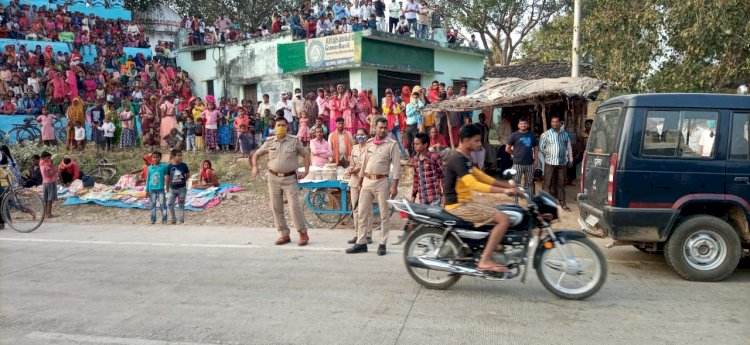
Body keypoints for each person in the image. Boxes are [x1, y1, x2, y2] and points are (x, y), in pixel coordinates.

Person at [443, 124, 522, 272]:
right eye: (477, 141)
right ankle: (485, 260)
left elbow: (481, 176)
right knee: (503, 219)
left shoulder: (465, 157)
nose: (480, 144)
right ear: (466, 141)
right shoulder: (458, 159)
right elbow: (473, 184)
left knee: (503, 213)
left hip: (465, 203)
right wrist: (504, 191)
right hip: (458, 206)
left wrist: (508, 186)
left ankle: (491, 249)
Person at [252, 116, 311, 246]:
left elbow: (306, 154)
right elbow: (256, 154)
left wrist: (306, 170)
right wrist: (255, 167)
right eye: (278, 125)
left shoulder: (294, 141)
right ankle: (284, 234)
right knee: (276, 207)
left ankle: (302, 233)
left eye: (283, 125)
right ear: (274, 127)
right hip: (273, 178)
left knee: (294, 207)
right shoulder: (269, 142)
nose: (280, 127)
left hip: (290, 178)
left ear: (287, 127)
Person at [346, 117, 401, 256]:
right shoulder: (369, 143)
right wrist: (360, 181)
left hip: (382, 182)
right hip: (366, 181)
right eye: (380, 127)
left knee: (384, 215)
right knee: (362, 212)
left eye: (385, 127)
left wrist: (394, 186)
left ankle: (382, 244)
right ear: (375, 128)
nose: (382, 130)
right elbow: (364, 164)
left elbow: (396, 168)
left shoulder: (392, 145)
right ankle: (361, 242)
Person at [539, 116, 572, 211]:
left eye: (557, 122)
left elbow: (568, 147)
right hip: (550, 162)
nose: (555, 123)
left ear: (559, 123)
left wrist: (570, 159)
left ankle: (562, 203)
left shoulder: (565, 134)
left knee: (561, 184)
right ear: (551, 123)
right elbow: (541, 148)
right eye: (553, 122)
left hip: (562, 163)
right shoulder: (546, 134)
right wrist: (548, 154)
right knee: (547, 183)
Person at [346, 128, 372, 245]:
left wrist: (356, 169)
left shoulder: (370, 149)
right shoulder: (354, 149)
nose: (360, 137)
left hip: (366, 181)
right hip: (354, 181)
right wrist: (350, 169)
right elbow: (352, 164)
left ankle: (368, 234)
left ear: (366, 136)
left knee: (367, 209)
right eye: (358, 135)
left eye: (362, 135)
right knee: (355, 209)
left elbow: (367, 165)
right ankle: (357, 234)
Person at [506, 117, 538, 203]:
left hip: (529, 163)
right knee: (516, 183)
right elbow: (507, 149)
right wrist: (515, 154)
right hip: (517, 163)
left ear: (527, 125)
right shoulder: (514, 135)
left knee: (529, 183)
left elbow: (535, 147)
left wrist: (536, 160)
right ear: (518, 125)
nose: (523, 125)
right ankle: (515, 202)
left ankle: (529, 201)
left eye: (525, 123)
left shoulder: (532, 135)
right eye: (521, 123)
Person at [411, 132, 444, 206]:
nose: (414, 146)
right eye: (414, 144)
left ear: (425, 145)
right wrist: (413, 195)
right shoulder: (415, 159)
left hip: (435, 197)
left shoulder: (434, 157)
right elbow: (416, 179)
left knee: (435, 216)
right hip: (422, 199)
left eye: (417, 144)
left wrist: (445, 194)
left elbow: (443, 176)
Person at [166, 149, 189, 225]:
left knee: (181, 204)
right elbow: (167, 177)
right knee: (169, 204)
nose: (180, 157)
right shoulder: (169, 166)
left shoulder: (184, 165)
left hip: (182, 188)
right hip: (172, 189)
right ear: (173, 156)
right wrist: (167, 187)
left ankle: (181, 220)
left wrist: (182, 181)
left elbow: (187, 175)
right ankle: (173, 219)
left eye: (181, 155)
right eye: (178, 155)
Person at [146, 151, 169, 225]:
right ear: (151, 158)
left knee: (163, 204)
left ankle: (164, 219)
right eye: (154, 157)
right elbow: (148, 179)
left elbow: (167, 177)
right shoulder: (149, 167)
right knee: (152, 205)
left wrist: (167, 187)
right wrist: (147, 190)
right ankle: (153, 219)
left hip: (160, 188)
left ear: (160, 158)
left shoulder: (164, 166)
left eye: (157, 157)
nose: (155, 159)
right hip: (151, 189)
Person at [404, 91, 424, 157]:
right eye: (414, 97)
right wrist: (415, 108)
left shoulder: (419, 104)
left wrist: (418, 100)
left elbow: (422, 105)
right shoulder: (409, 105)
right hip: (408, 126)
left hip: (415, 126)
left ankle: (415, 156)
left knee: (416, 142)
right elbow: (408, 114)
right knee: (408, 142)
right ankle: (410, 155)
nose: (415, 98)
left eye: (416, 97)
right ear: (411, 97)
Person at [40, 151, 57, 218]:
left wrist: (51, 162)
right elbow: (50, 174)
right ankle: (49, 213)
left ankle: (46, 213)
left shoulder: (41, 163)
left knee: (46, 199)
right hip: (50, 182)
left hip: (44, 182)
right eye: (48, 158)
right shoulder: (46, 165)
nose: (49, 159)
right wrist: (55, 170)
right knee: (50, 199)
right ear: (43, 157)